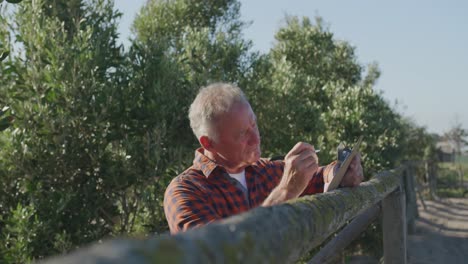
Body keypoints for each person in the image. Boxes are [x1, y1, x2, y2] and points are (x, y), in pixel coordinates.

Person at [164, 83, 364, 234]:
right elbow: (223, 254)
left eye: (254, 125)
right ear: (208, 143)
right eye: (242, 134)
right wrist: (286, 191)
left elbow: (319, 178)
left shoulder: (265, 170)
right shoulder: (185, 192)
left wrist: (340, 172)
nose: (256, 138)